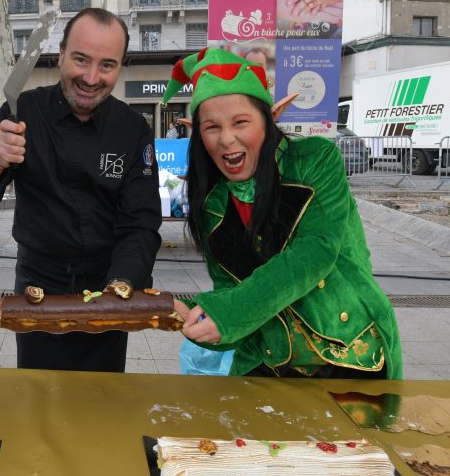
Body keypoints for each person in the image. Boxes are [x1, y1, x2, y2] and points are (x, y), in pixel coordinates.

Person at [172, 47, 402, 379]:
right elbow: (231, 297)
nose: (226, 139)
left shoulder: (316, 160)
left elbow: (313, 254)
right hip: (269, 363)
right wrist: (195, 317)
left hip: (352, 357)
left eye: (241, 122)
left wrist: (228, 313)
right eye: (212, 127)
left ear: (268, 120)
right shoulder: (212, 204)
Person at [0, 8, 162, 373]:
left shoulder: (133, 129)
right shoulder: (23, 111)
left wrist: (122, 286)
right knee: (36, 394)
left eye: (107, 65)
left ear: (120, 68)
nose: (91, 77)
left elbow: (141, 223)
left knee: (104, 397)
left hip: (108, 286)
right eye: (81, 59)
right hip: (39, 289)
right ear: (61, 54)